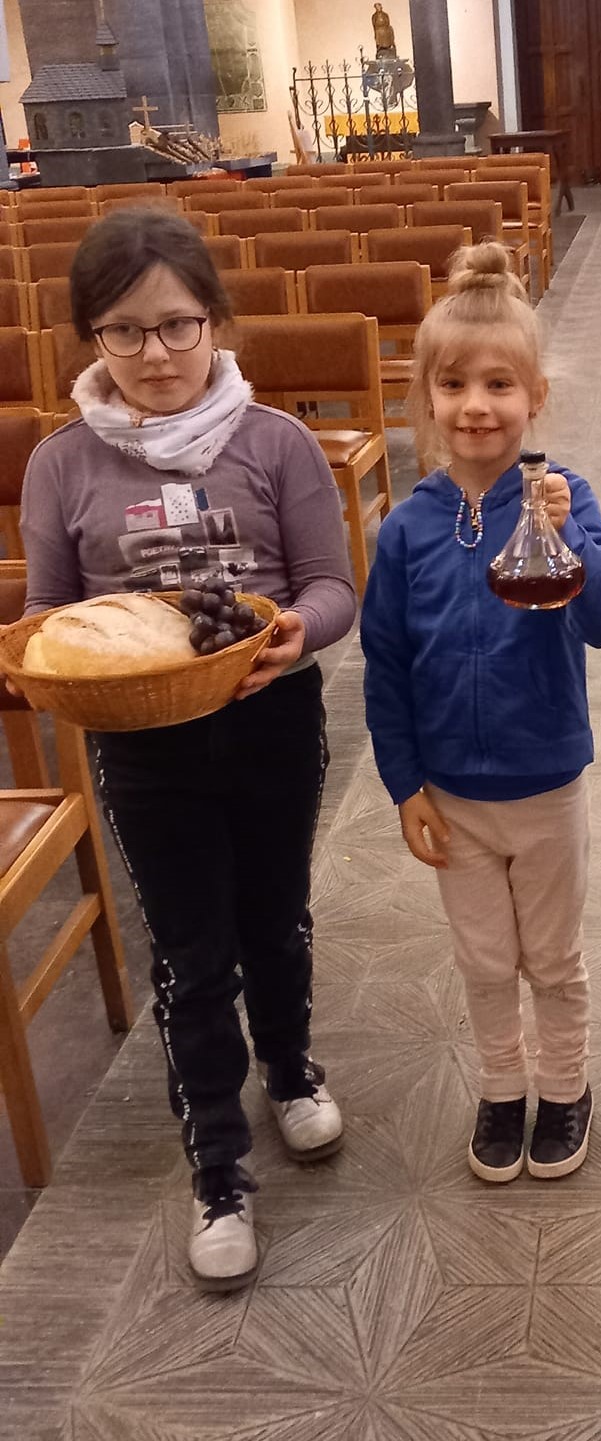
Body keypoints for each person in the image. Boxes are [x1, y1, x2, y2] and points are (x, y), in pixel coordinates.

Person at [18, 210, 356, 1289]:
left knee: (276, 921)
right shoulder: (61, 463)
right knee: (190, 954)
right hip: (143, 743)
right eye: (122, 331)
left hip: (269, 720)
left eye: (177, 325)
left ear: (214, 319)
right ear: (91, 337)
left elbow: (332, 584)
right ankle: (218, 1167)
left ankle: (291, 1071)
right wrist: (56, 669)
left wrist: (299, 630)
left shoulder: (275, 441)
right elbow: (47, 612)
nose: (155, 354)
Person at [362, 242, 601, 1187]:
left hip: (545, 782)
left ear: (535, 396)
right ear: (426, 398)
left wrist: (569, 535)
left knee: (551, 960)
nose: (475, 405)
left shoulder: (567, 498)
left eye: (498, 384)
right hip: (452, 793)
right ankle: (501, 1088)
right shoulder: (409, 525)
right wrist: (404, 784)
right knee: (483, 961)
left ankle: (563, 1088)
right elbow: (386, 663)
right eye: (453, 385)